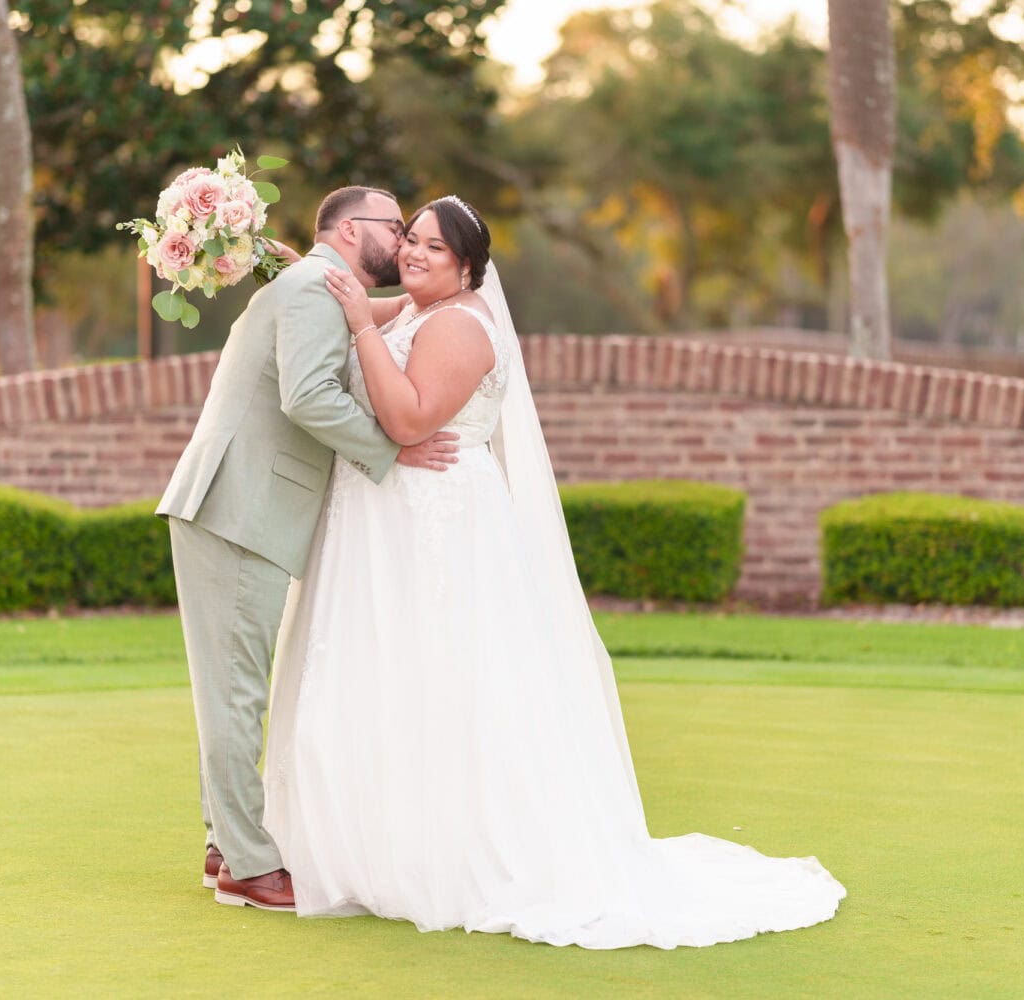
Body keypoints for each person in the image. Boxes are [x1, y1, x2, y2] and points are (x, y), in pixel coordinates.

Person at [261, 195, 846, 948]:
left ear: (468, 267)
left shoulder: (465, 327)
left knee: (444, 676)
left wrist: (352, 319)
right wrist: (299, 265)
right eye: (410, 239)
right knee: (381, 669)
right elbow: (355, 301)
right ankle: (364, 844)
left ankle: (452, 856)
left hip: (434, 520)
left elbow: (407, 419)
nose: (413, 253)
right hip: (380, 517)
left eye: (434, 249)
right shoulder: (410, 310)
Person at [156, 185, 460, 912]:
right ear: (353, 231)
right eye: (398, 228)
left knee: (233, 686)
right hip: (238, 508)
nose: (408, 241)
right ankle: (248, 867)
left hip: (241, 507)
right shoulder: (310, 292)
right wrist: (393, 447)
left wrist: (438, 297)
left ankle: (226, 842)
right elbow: (309, 397)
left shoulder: (318, 285)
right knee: (235, 691)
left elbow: (388, 314)